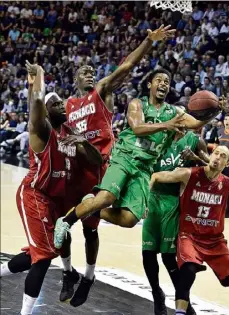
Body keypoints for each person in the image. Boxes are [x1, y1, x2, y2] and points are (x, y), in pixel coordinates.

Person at [61, 25, 178, 307]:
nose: (90, 74)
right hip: (76, 169)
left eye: (92, 71)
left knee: (90, 229)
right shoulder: (69, 104)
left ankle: (88, 276)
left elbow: (127, 65)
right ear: (74, 77)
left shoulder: (102, 91)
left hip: (102, 166)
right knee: (62, 225)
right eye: (84, 71)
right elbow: (63, 138)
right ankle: (67, 272)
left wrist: (148, 41)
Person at [54, 68, 223, 250]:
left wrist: (214, 110)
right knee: (106, 197)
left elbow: (197, 123)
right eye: (159, 80)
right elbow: (137, 128)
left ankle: (91, 208)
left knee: (129, 219)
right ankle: (65, 221)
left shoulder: (174, 113)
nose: (164, 84)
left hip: (145, 166)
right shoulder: (137, 103)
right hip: (125, 156)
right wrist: (167, 125)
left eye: (167, 82)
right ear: (150, 84)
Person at [0, 63, 102, 315]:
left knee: (45, 251)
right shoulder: (42, 131)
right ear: (46, 111)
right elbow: (35, 106)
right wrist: (38, 79)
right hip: (35, 195)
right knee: (44, 257)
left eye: (61, 103)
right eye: (56, 104)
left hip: (55, 201)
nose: (62, 106)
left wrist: (84, 141)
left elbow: (96, 160)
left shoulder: (69, 132)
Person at [150, 146, 229, 315]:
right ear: (210, 156)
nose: (218, 157)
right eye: (216, 153)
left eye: (223, 156)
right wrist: (147, 198)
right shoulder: (189, 174)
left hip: (215, 240)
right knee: (188, 271)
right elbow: (157, 176)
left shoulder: (228, 183)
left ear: (227, 164)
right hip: (189, 236)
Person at [142, 129, 209, 315]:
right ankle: (157, 294)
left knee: (168, 257)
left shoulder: (194, 140)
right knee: (147, 253)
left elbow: (212, 168)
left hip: (174, 200)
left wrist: (196, 157)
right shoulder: (155, 138)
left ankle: (184, 302)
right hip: (153, 196)